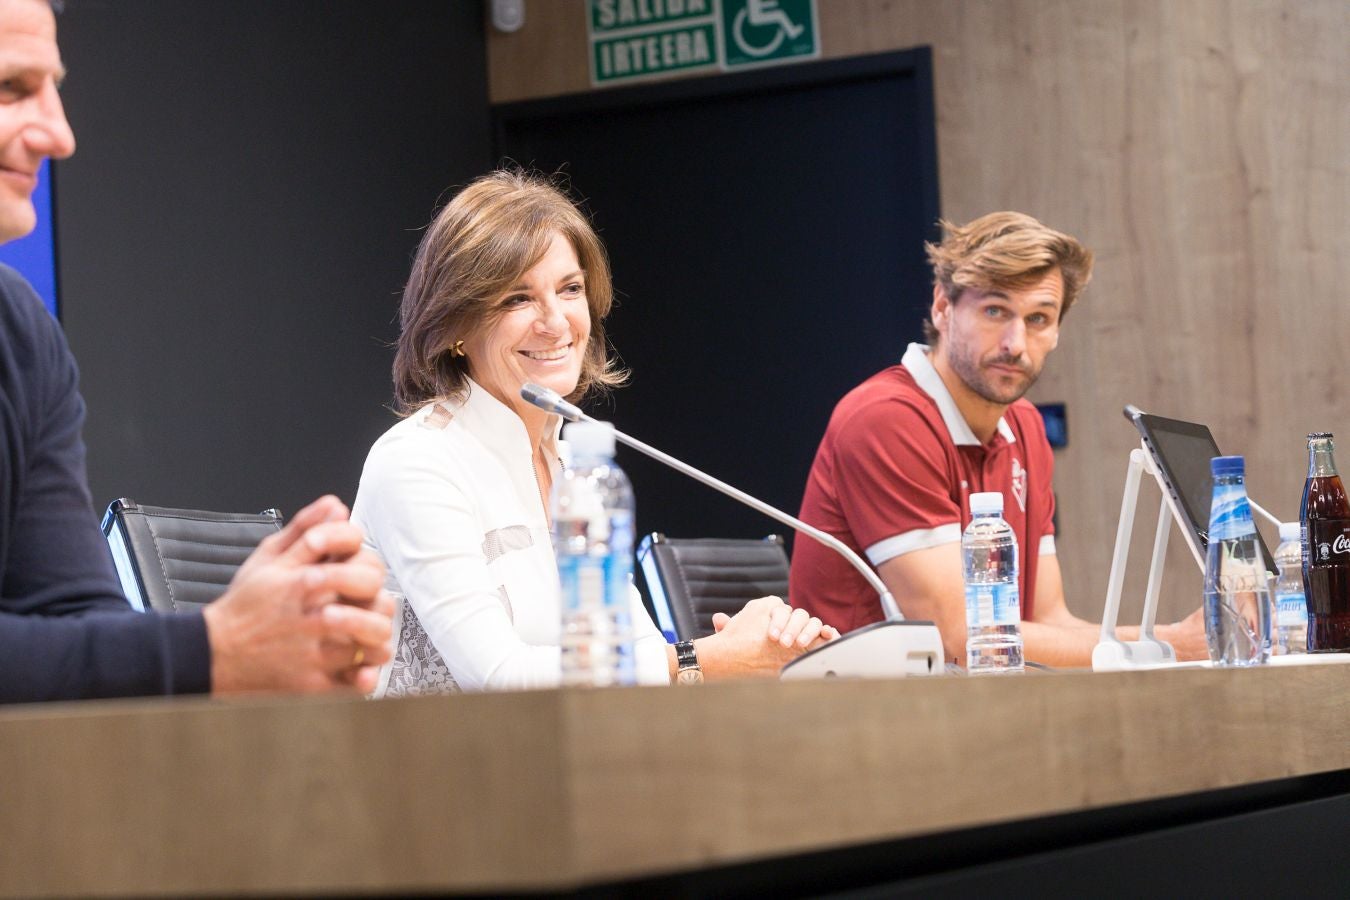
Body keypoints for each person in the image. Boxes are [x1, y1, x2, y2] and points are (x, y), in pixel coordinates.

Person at [0, 0, 393, 703]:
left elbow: (72, 619)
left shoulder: (20, 334)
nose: (59, 135)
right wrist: (216, 648)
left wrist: (260, 641)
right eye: (11, 89)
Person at [352, 170, 837, 694]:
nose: (556, 322)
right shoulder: (418, 462)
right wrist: (706, 661)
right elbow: (496, 678)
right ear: (455, 327)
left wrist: (754, 642)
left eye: (570, 289)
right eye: (518, 298)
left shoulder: (576, 474)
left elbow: (641, 657)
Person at [789, 211, 1206, 667]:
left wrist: (1166, 647)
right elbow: (961, 637)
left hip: (973, 708)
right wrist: (1169, 644)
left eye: (1039, 319)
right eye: (995, 311)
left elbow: (1050, 620)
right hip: (863, 716)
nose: (1016, 343)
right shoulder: (884, 419)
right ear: (942, 308)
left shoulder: (1025, 427)